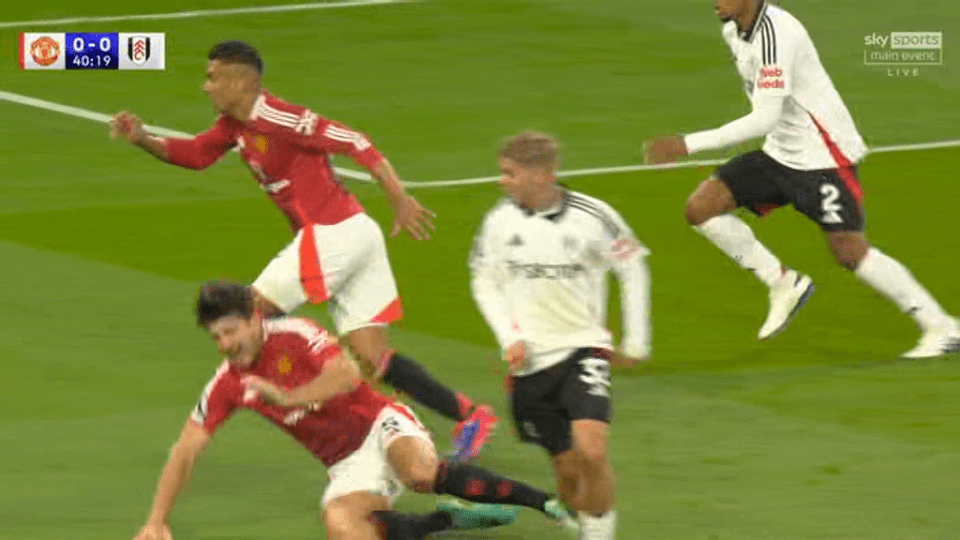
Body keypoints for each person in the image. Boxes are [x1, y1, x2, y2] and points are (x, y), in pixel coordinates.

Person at [109, 40, 496, 458]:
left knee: (248, 313)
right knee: (372, 358)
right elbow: (196, 155)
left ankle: (284, 405)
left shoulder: (279, 116)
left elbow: (354, 140)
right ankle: (470, 416)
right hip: (354, 233)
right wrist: (142, 138)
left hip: (334, 233)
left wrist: (399, 197)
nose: (206, 87)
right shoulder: (232, 126)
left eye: (213, 77)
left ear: (241, 81)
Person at [131, 281, 571, 540]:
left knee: (419, 473)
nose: (226, 345)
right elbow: (186, 449)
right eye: (216, 338)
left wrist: (285, 397)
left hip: (380, 423)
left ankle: (542, 500)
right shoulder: (227, 383)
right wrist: (157, 521)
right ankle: (444, 519)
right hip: (345, 462)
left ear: (253, 319)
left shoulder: (295, 334)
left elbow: (346, 376)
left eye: (230, 332)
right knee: (342, 525)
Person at [643, 0, 959, 357]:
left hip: (823, 156)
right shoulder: (733, 29)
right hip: (781, 152)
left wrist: (687, 145)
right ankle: (782, 282)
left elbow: (764, 118)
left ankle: (941, 327)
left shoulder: (778, 34)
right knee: (702, 207)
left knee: (849, 250)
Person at [470, 131, 652, 540]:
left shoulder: (594, 216)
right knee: (569, 474)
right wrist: (508, 337)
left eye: (510, 173)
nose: (503, 181)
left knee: (593, 450)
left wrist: (636, 341)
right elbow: (484, 280)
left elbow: (632, 267)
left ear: (543, 173)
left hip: (582, 348)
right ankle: (583, 520)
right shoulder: (498, 222)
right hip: (530, 362)